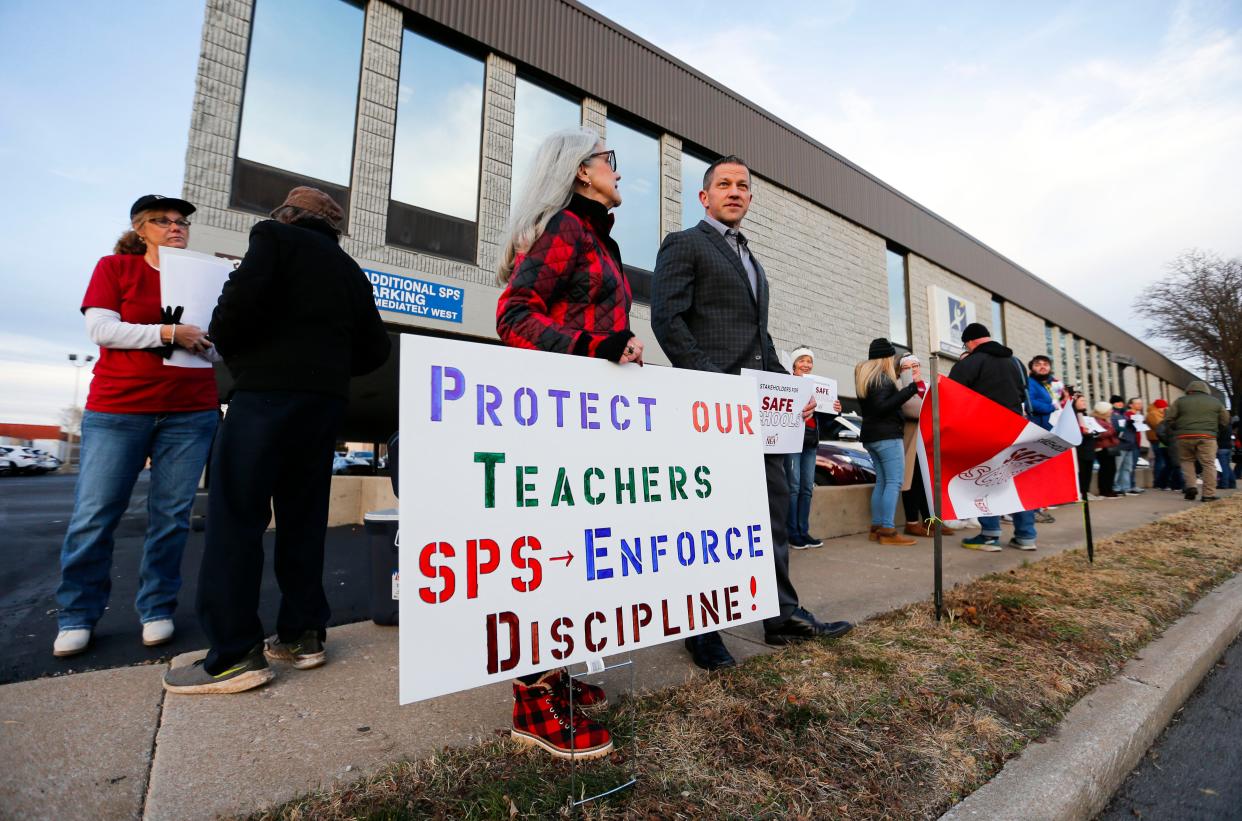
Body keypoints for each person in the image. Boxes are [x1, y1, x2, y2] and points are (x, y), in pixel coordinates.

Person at [163, 187, 391, 695]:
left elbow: (230, 318)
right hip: (323, 404)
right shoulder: (349, 269)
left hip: (265, 397)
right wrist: (326, 366)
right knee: (303, 519)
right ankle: (303, 634)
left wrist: (254, 356)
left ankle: (232, 655)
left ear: (286, 214)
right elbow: (375, 348)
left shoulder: (272, 238)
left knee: (236, 518)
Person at [652, 153, 853, 672]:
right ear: (704, 196)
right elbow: (668, 322)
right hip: (713, 411)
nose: (735, 191)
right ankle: (703, 630)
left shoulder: (754, 263)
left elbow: (759, 340)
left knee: (772, 515)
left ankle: (781, 616)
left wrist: (791, 389)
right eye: (724, 184)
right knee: (708, 521)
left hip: (762, 417)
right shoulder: (685, 244)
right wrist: (717, 386)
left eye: (743, 185)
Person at [492, 127, 641, 759]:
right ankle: (534, 698)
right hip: (557, 419)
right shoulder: (568, 229)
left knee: (578, 548)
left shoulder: (594, 236)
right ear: (581, 172)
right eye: (609, 160)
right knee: (553, 548)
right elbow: (514, 315)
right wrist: (598, 348)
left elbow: (589, 319)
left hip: (591, 417)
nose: (616, 169)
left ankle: (561, 672)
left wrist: (618, 348)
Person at [54, 195, 221, 658]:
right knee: (96, 514)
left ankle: (157, 609)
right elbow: (102, 330)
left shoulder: (202, 278)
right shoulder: (115, 268)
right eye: (163, 221)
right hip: (119, 409)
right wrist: (168, 334)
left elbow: (219, 349)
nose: (175, 227)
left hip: (190, 411)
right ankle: (77, 615)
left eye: (182, 221)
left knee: (170, 518)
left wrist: (205, 345)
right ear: (140, 228)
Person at [948, 322, 1038, 552]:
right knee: (1017, 482)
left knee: (984, 482)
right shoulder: (1016, 363)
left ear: (970, 342)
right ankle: (1026, 536)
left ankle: (989, 535)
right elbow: (1023, 392)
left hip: (983, 431)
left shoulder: (971, 362)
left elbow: (951, 395)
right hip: (1016, 428)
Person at [855, 340, 919, 545]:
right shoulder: (881, 378)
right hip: (887, 436)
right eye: (892, 357)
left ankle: (877, 527)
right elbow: (883, 407)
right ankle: (888, 531)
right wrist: (909, 391)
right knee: (893, 482)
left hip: (872, 437)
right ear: (886, 357)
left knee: (882, 481)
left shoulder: (866, 377)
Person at [784, 346, 842, 548]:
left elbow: (825, 423)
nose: (807, 365)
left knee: (807, 488)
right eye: (802, 361)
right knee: (793, 487)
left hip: (810, 443)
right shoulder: (787, 385)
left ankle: (803, 531)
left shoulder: (818, 388)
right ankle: (792, 533)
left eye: (809, 361)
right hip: (792, 442)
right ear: (793, 366)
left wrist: (835, 411)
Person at [1164, 381, 1230, 501]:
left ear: (1189, 390)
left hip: (1184, 437)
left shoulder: (1180, 401)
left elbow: (1169, 418)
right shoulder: (1215, 402)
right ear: (1206, 390)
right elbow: (1225, 419)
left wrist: (1178, 428)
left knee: (1186, 461)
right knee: (1208, 464)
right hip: (1207, 437)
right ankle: (1208, 495)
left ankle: (1191, 487)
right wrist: (1215, 430)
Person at [1112, 398, 1144, 495]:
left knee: (1127, 467)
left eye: (1121, 402)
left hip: (1131, 444)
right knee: (1118, 467)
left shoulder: (1125, 415)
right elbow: (1117, 429)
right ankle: (1116, 487)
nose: (1120, 404)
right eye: (1117, 402)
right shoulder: (1122, 415)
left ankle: (1125, 487)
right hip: (1122, 444)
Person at [1069, 391, 1098, 499]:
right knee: (1081, 472)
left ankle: (1086, 492)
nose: (1084, 403)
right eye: (1082, 401)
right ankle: (1079, 493)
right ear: (1075, 402)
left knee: (1088, 471)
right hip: (1080, 449)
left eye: (1085, 401)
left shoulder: (1085, 414)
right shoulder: (1072, 415)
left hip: (1089, 447)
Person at [1146, 398, 1178, 490]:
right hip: (1157, 440)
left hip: (1162, 439)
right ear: (1159, 407)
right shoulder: (1153, 414)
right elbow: (1159, 425)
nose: (1165, 409)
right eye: (1164, 407)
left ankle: (1163, 482)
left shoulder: (1159, 414)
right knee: (1160, 461)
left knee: (1164, 460)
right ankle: (1158, 482)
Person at [1091, 402, 1121, 498]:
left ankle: (1109, 489)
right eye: (1109, 409)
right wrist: (1112, 430)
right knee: (1106, 469)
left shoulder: (1105, 419)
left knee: (1111, 469)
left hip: (1109, 446)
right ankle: (1105, 490)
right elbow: (1099, 434)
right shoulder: (1097, 420)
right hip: (1102, 447)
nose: (1111, 411)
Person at [1026, 355, 1057, 430]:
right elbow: (1030, 403)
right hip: (1041, 429)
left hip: (1057, 426)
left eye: (1046, 364)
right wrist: (1053, 407)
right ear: (1031, 369)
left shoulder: (1055, 383)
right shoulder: (1029, 382)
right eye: (1037, 365)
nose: (1042, 367)